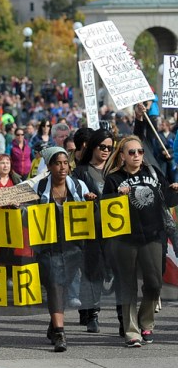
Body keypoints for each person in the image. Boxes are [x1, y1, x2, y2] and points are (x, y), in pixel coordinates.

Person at [103, 134, 178, 347]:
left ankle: (146, 321)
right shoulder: (114, 178)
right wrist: (117, 195)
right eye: (132, 152)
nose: (137, 156)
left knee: (154, 284)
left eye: (140, 152)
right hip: (125, 239)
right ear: (123, 156)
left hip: (153, 235)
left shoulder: (152, 172)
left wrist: (174, 190)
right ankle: (132, 331)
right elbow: (103, 207)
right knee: (127, 285)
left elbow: (166, 199)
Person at [33, 146, 96, 353]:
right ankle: (60, 332)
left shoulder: (79, 186)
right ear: (49, 166)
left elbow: (93, 214)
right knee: (54, 285)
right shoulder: (39, 187)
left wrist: (91, 202)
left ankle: (53, 324)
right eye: (57, 163)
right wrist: (20, 209)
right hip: (48, 247)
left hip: (73, 247)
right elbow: (27, 216)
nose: (62, 167)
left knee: (65, 285)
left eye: (65, 163)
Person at [72, 128, 114, 334]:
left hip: (115, 230)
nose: (106, 151)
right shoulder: (80, 172)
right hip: (90, 231)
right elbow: (71, 195)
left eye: (110, 148)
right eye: (102, 147)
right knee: (92, 271)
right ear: (93, 147)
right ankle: (92, 313)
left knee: (110, 273)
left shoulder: (115, 172)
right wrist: (83, 197)